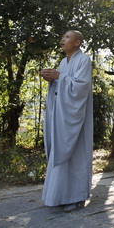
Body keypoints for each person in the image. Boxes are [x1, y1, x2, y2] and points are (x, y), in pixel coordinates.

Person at [40, 30, 93, 212]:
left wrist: (59, 77)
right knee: (60, 154)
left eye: (67, 37)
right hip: (63, 117)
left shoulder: (84, 60)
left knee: (77, 156)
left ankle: (78, 197)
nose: (62, 39)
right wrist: (52, 79)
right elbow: (62, 85)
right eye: (62, 37)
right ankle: (61, 195)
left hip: (76, 118)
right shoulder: (63, 62)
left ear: (77, 42)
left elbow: (81, 87)